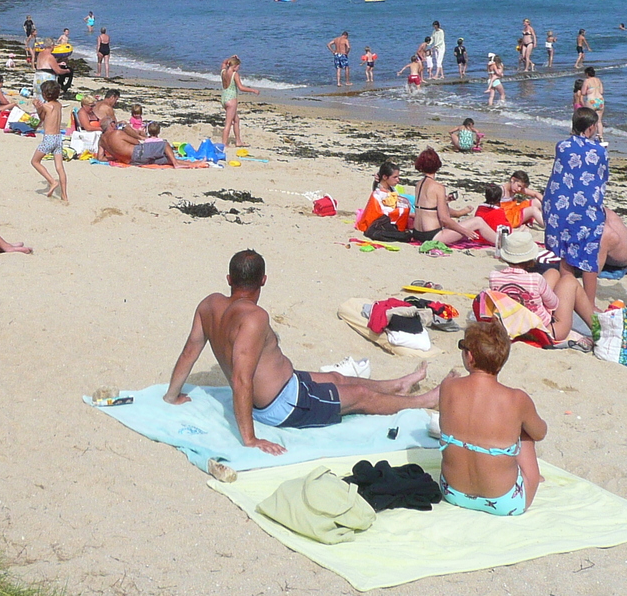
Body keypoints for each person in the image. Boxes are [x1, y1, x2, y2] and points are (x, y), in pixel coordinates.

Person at [163, 250, 442, 453]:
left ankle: (398, 385)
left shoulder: (209, 304)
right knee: (360, 398)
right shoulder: (253, 317)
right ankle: (425, 401)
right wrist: (249, 439)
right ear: (264, 280)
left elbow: (190, 351)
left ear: (228, 278)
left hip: (289, 384)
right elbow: (240, 379)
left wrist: (172, 395)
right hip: (282, 405)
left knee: (337, 378)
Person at [436, 319, 546, 515]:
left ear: (469, 356)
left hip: (452, 492)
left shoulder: (448, 387)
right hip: (505, 503)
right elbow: (540, 433)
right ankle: (527, 478)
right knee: (525, 431)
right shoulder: (516, 399)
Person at [543, 106, 609, 340]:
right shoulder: (600, 151)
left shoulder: (562, 146)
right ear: (591, 127)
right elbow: (602, 178)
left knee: (566, 257)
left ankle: (566, 301)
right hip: (587, 209)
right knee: (589, 257)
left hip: (561, 207)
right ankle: (588, 304)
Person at [413, 148, 498, 247]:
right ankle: (502, 243)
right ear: (437, 165)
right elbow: (444, 219)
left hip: (417, 233)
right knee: (478, 221)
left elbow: (428, 206)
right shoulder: (438, 187)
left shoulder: (419, 184)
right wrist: (465, 231)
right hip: (432, 235)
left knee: (464, 223)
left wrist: (445, 201)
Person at [489, 228, 561, 337]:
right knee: (560, 278)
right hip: (537, 326)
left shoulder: (494, 277)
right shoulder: (535, 279)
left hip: (508, 323)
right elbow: (553, 304)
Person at [355, 162, 423, 244]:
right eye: (395, 177)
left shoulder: (391, 190)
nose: (398, 180)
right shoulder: (378, 193)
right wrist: (409, 214)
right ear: (385, 177)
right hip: (385, 222)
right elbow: (383, 213)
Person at [30, 80, 68, 203]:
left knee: (35, 161)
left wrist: (37, 107)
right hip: (58, 138)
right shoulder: (59, 105)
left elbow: (42, 118)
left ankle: (52, 181)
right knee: (59, 167)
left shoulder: (46, 107)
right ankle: (64, 195)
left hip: (49, 138)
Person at [220, 55, 257, 149]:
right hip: (231, 100)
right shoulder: (234, 74)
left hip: (224, 98)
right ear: (235, 66)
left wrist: (230, 58)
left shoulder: (223, 72)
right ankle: (224, 143)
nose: (239, 68)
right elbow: (241, 87)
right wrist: (253, 90)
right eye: (238, 66)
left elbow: (224, 63)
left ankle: (238, 141)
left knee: (236, 120)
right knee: (228, 123)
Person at [130, 122, 200, 167]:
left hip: (149, 158)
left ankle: (192, 164)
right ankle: (192, 163)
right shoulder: (161, 141)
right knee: (172, 158)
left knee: (169, 159)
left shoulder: (146, 141)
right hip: (158, 155)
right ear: (159, 132)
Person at [580, 66, 606, 145]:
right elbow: (601, 91)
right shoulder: (598, 80)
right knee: (599, 121)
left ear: (587, 74)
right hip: (600, 100)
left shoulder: (587, 81)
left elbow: (583, 93)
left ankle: (587, 136)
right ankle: (600, 137)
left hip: (591, 101)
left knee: (589, 120)